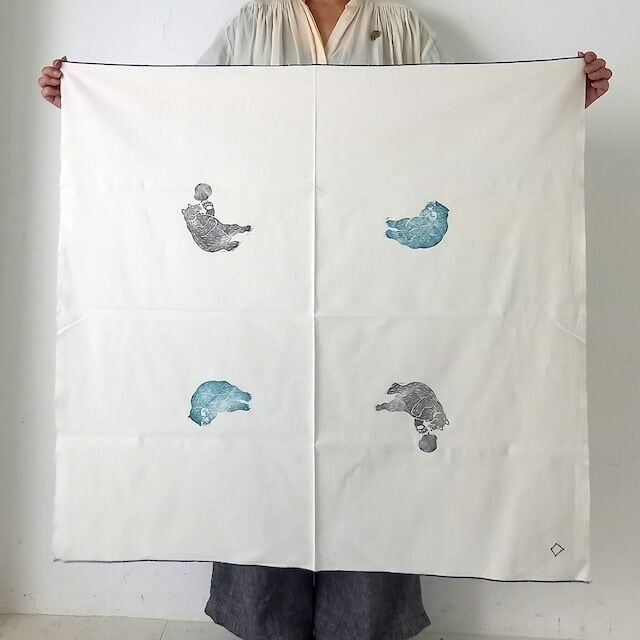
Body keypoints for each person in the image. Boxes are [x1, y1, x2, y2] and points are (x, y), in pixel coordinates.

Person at [37, 1, 613, 639]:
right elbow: (181, 125)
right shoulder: (253, 28)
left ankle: (361, 625)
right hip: (262, 294)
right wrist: (93, 106)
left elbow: (467, 130)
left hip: (378, 291)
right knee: (259, 458)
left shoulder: (401, 30)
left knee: (375, 460)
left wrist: (550, 105)